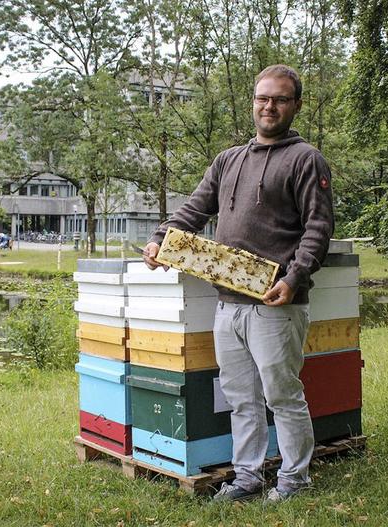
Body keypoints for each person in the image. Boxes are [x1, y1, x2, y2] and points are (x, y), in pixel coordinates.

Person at [143, 64, 334, 502]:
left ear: (296, 106)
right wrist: (160, 240)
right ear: (253, 102)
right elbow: (192, 210)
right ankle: (247, 476)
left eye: (280, 99)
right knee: (241, 398)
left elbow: (318, 229)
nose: (270, 106)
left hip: (275, 303)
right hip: (227, 305)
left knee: (282, 395)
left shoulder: (306, 159)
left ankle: (294, 480)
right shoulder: (228, 159)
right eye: (263, 98)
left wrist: (294, 277)